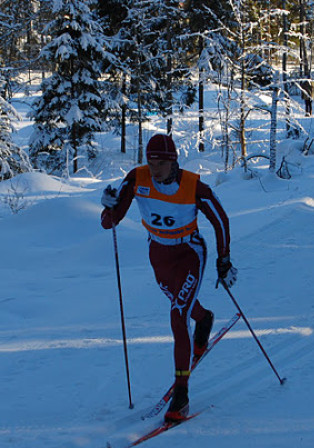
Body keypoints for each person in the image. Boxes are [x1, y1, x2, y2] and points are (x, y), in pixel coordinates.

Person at [100, 133, 237, 423]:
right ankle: (204, 319)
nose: (154, 169)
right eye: (150, 162)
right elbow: (111, 220)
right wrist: (108, 206)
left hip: (189, 253)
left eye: (160, 163)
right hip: (158, 255)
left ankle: (181, 394)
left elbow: (220, 219)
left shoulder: (193, 186)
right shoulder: (137, 178)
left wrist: (223, 259)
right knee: (181, 303)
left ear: (173, 161)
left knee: (177, 316)